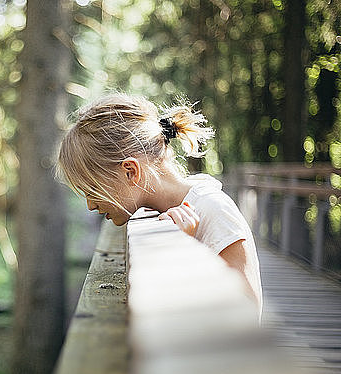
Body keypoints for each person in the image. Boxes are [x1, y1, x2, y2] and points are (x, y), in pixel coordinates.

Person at [54, 92, 263, 321]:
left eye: (94, 191)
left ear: (130, 171)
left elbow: (248, 314)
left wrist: (185, 255)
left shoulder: (214, 210)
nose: (91, 205)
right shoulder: (159, 212)